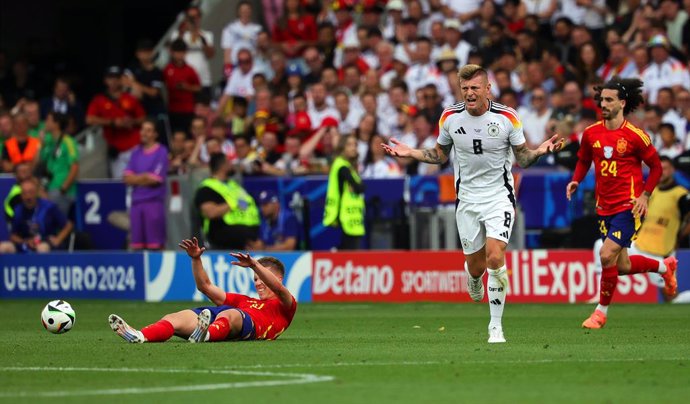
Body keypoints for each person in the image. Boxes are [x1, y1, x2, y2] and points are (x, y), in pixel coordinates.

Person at [382, 64, 563, 343]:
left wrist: (540, 151)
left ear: (487, 89)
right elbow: (439, 154)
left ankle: (495, 326)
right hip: (466, 199)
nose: (469, 93)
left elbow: (523, 158)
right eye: (464, 88)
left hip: (499, 196)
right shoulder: (450, 117)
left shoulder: (507, 117)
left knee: (495, 255)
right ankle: (473, 277)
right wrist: (412, 153)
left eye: (474, 88)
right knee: (477, 265)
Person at [566, 77, 676, 329]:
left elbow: (657, 167)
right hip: (604, 207)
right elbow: (584, 160)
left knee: (606, 255)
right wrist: (575, 180)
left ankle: (600, 313)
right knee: (622, 265)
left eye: (608, 100)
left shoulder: (636, 136)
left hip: (629, 207)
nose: (602, 104)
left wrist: (645, 195)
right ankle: (664, 267)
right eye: (601, 99)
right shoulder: (591, 133)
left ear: (622, 103)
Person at [108, 237, 296, 343]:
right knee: (174, 318)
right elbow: (204, 286)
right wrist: (196, 259)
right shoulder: (244, 301)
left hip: (246, 325)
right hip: (217, 317)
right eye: (255, 279)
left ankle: (204, 335)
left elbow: (278, 289)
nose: (258, 283)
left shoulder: (286, 305)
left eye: (261, 278)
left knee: (231, 314)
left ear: (278, 278)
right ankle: (140, 336)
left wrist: (255, 265)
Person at [628, 156, 689, 300]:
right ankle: (600, 296)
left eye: (666, 169)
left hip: (661, 253)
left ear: (672, 170)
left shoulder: (680, 194)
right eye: (659, 169)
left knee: (670, 297)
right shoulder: (652, 191)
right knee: (600, 245)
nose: (662, 172)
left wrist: (679, 237)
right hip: (639, 245)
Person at [85, 66, 146, 179]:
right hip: (116, 149)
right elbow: (89, 119)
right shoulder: (99, 100)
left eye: (116, 78)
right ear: (105, 80)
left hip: (134, 145)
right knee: (120, 182)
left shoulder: (130, 98)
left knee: (139, 179)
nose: (114, 81)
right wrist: (113, 122)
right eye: (110, 78)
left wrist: (132, 121)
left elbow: (143, 118)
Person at [194, 153, 260, 250]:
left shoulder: (234, 186)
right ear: (223, 166)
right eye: (229, 162)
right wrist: (232, 204)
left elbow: (246, 204)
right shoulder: (207, 188)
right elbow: (211, 213)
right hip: (223, 239)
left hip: (250, 236)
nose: (232, 164)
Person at [123, 119, 169, 250]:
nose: (144, 133)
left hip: (153, 203)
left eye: (148, 130)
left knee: (155, 246)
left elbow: (155, 179)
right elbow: (127, 178)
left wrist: (137, 178)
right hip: (136, 204)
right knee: (137, 246)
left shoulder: (161, 152)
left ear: (155, 134)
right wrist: (144, 177)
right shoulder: (136, 152)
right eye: (142, 130)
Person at [0, 179, 73, 253]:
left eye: (31, 192)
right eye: (25, 193)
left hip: (45, 242)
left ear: (36, 193)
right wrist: (25, 241)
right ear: (21, 195)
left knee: (42, 248)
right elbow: (13, 236)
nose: (28, 197)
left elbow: (68, 225)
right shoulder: (18, 210)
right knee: (3, 247)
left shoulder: (49, 207)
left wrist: (58, 240)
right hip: (25, 243)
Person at [323, 134, 366, 250]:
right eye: (349, 145)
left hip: (350, 217)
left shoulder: (347, 166)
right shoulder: (342, 167)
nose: (353, 148)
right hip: (344, 217)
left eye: (355, 145)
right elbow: (360, 188)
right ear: (342, 148)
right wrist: (357, 186)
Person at [39, 111, 79, 217]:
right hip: (49, 188)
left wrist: (63, 188)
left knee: (58, 224)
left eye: (48, 120)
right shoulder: (49, 142)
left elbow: (74, 166)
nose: (45, 123)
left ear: (56, 124)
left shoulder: (68, 141)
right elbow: (42, 162)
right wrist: (42, 144)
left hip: (61, 190)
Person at [163, 39, 201, 133]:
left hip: (187, 109)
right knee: (175, 134)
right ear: (172, 52)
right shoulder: (167, 69)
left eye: (182, 52)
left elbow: (198, 87)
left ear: (185, 53)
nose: (179, 55)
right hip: (173, 109)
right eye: (177, 52)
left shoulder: (190, 70)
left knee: (188, 134)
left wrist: (186, 87)